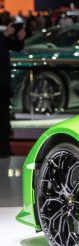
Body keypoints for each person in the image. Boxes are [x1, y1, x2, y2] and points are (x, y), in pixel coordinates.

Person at [1, 24, 26, 158]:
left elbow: (16, 46)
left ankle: (4, 149)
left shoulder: (3, 37)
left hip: (3, 86)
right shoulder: (2, 36)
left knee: (4, 119)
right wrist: (5, 35)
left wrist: (20, 38)